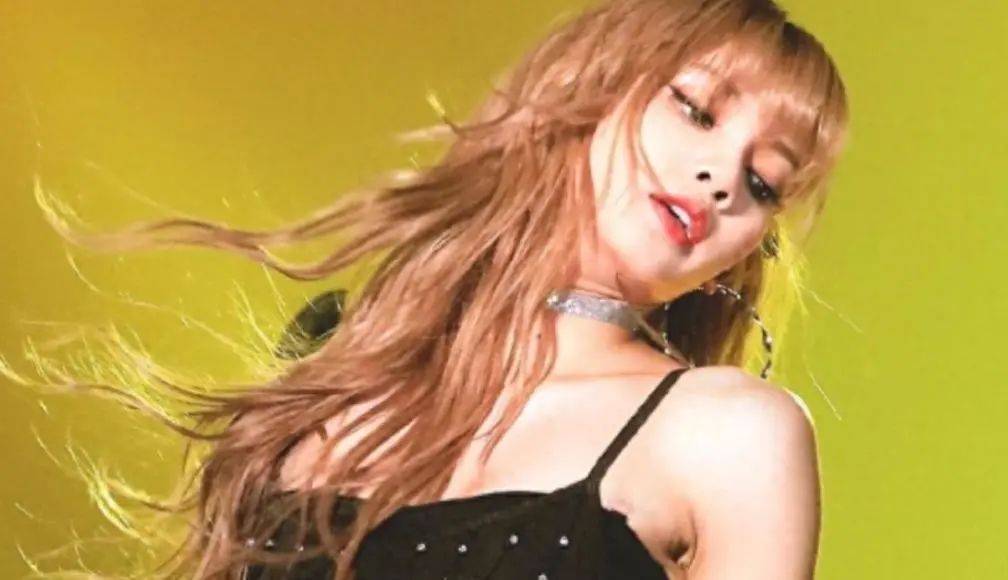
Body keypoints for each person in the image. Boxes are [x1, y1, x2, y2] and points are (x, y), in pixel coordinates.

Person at [25, 0, 849, 578]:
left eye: (764, 182)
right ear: (590, 86)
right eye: (697, 110)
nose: (720, 178)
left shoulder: (728, 434)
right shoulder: (340, 358)